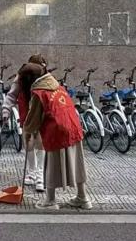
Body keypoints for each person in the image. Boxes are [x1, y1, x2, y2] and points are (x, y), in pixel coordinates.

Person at [20, 62, 92, 210]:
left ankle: (51, 201)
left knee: (51, 165)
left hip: (56, 130)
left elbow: (33, 118)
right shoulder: (57, 86)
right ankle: (83, 198)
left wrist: (27, 133)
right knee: (77, 163)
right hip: (73, 127)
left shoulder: (39, 93)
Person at [1, 54, 48, 193]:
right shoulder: (21, 77)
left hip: (40, 113)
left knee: (40, 142)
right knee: (28, 142)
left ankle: (40, 176)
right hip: (26, 113)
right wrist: (6, 110)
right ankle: (32, 172)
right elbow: (12, 95)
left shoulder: (46, 78)